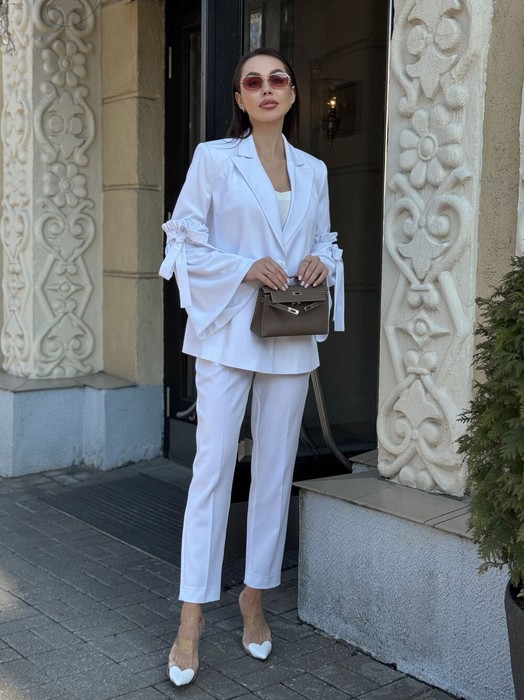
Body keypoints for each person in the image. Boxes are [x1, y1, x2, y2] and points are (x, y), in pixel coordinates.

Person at [159, 47, 344, 687]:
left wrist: (323, 262)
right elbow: (182, 240)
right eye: (253, 81)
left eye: (278, 79)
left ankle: (255, 597)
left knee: (275, 469)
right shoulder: (214, 158)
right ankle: (190, 618)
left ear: (292, 94)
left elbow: (325, 240)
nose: (267, 88)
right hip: (227, 333)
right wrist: (244, 266)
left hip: (289, 331)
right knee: (212, 467)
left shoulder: (314, 170)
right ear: (240, 98)